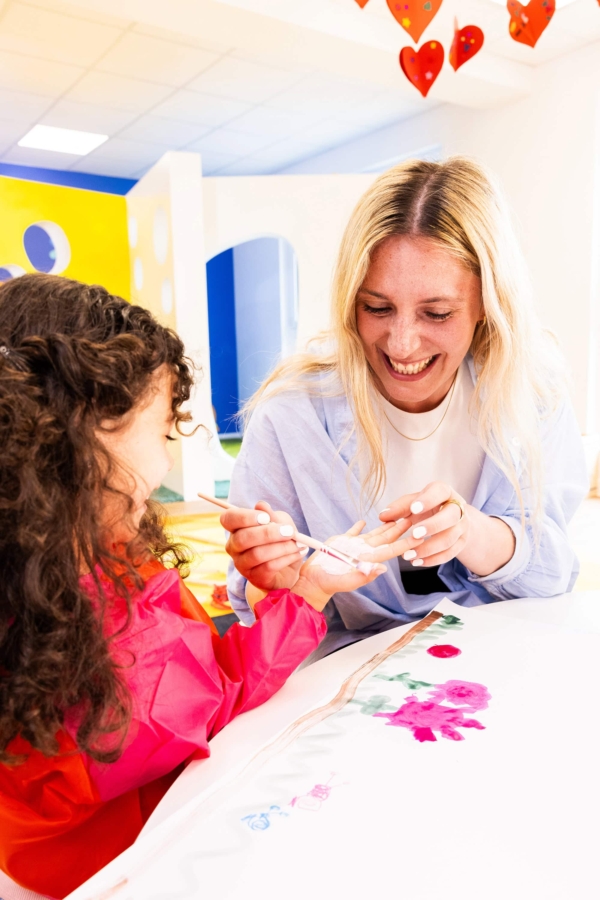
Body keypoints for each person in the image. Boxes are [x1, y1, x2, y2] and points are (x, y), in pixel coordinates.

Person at [0, 274, 412, 899]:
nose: (167, 464)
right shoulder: (86, 590)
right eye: (164, 430)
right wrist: (303, 594)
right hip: (124, 864)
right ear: (88, 427)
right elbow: (208, 704)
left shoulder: (91, 547)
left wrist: (305, 590)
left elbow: (208, 684)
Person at [225, 157, 588, 658]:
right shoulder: (293, 416)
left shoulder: (534, 394)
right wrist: (280, 582)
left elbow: (553, 575)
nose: (401, 344)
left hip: (500, 658)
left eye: (436, 313)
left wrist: (471, 532)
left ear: (488, 302)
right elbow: (258, 621)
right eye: (376, 307)